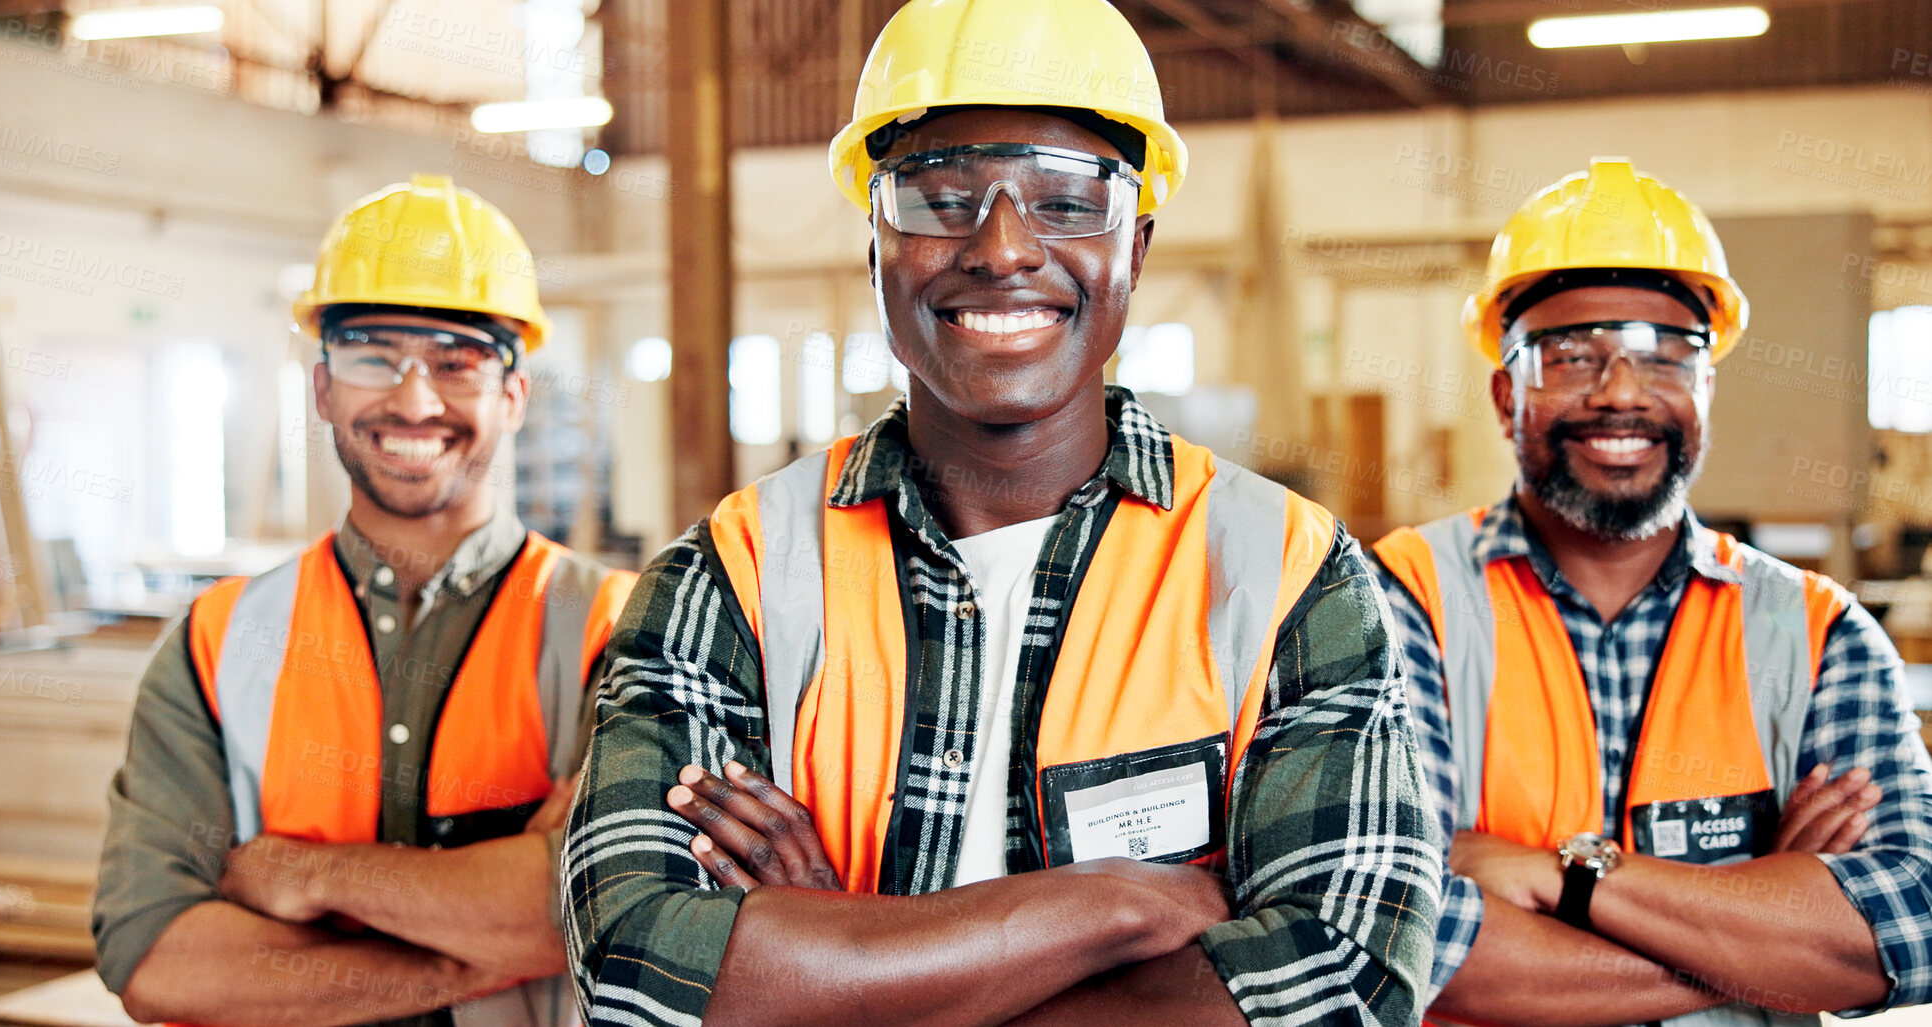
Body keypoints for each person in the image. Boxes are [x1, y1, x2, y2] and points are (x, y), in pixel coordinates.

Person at [560, 1, 1439, 1024]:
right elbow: (637, 966)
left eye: (1068, 202)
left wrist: (841, 954)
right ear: (878, 244)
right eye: (941, 198)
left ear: (1137, 250)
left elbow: (1345, 979)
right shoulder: (732, 576)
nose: (1003, 246)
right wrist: (1109, 906)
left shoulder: (1288, 571)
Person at [1371, 158, 1932, 1026]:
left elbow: (1910, 924)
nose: (1621, 393)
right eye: (1569, 357)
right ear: (1501, 393)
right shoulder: (1399, 599)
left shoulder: (1816, 634)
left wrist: (1572, 878)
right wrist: (1767, 930)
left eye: (1665, 356)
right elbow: (1398, 935)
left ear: (1706, 387)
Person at [93, 174, 637, 1027]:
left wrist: (306, 873)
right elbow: (158, 961)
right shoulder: (216, 640)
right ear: (322, 388)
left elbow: (622, 912)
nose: (413, 398)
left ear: (514, 395)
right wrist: (487, 929)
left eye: (457, 360)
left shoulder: (619, 626)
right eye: (371, 355)